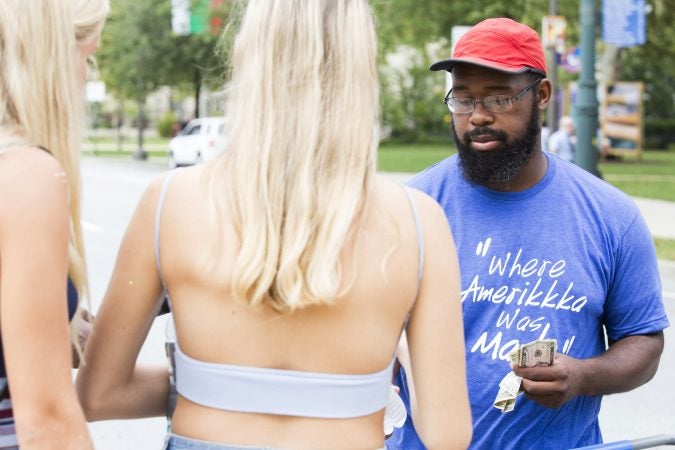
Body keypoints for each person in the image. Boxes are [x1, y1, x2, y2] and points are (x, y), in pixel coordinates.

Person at [76, 1, 472, 449]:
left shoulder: (171, 202)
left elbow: (98, 395)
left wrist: (211, 385)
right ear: (361, 67)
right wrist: (382, 364)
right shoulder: (418, 223)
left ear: (250, 57)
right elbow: (447, 435)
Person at [387, 17, 669, 450]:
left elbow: (643, 340)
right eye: (462, 100)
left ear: (541, 95)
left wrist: (581, 376)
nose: (478, 116)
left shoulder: (610, 215)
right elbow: (371, 340)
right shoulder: (411, 209)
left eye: (499, 98)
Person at [0, 0, 109, 447]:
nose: (86, 76)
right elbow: (47, 419)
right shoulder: (24, 174)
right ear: (49, 54)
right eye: (87, 56)